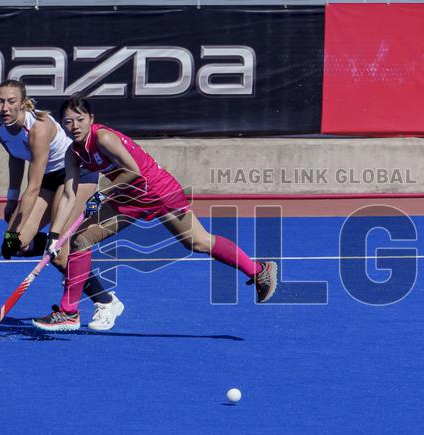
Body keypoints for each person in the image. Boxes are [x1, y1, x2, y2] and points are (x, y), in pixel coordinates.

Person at [31, 92, 277, 330]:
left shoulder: (103, 138)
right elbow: (68, 195)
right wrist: (54, 235)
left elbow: (133, 172)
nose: (74, 125)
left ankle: (258, 270)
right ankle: (69, 311)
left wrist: (103, 193)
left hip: (157, 190)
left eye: (80, 119)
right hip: (127, 196)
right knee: (80, 240)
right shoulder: (72, 153)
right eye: (68, 121)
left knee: (199, 243)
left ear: (91, 119)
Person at [0, 80, 123, 331]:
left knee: (61, 256)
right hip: (48, 181)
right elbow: (16, 157)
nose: (4, 108)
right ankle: (64, 253)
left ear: (23, 104)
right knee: (19, 246)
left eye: (11, 101)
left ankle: (104, 302)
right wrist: (10, 200)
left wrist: (9, 233)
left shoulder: (38, 129)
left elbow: (33, 187)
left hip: (75, 175)